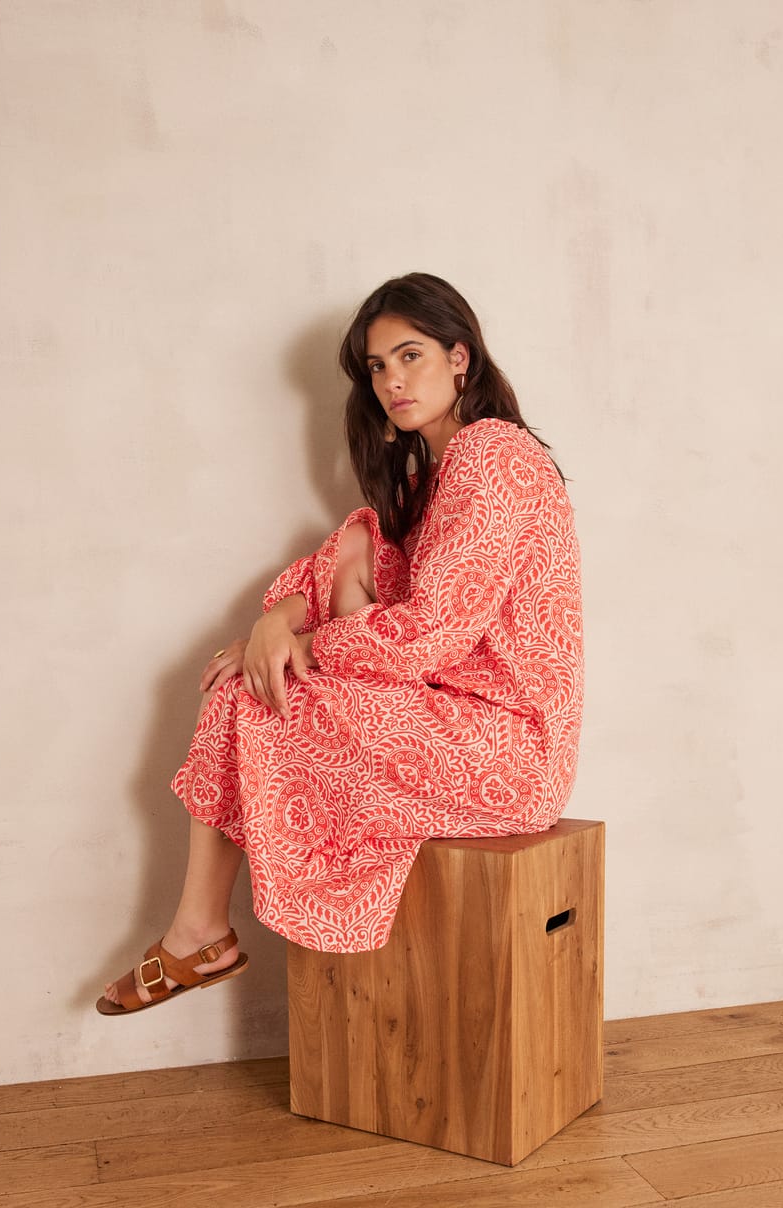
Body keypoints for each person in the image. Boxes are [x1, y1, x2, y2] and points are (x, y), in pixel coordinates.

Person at [97, 272, 583, 1015]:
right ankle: (200, 931)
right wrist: (277, 624)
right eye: (378, 367)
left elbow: (431, 631)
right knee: (256, 682)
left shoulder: (493, 453)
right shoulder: (439, 477)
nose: (392, 382)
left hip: (509, 748)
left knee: (256, 697)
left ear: (460, 358)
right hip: (462, 726)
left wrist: (305, 644)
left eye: (411, 356)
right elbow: (366, 562)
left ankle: (199, 932)